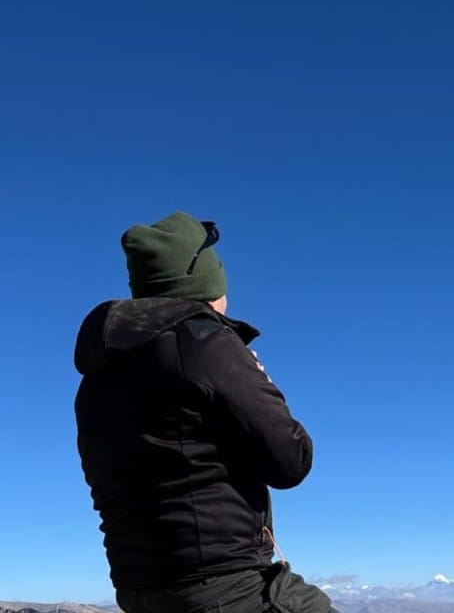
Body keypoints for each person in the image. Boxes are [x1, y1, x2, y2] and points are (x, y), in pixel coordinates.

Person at [74, 211, 338, 613]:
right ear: (203, 279)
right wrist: (260, 382)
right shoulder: (205, 344)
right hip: (225, 589)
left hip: (137, 589)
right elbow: (292, 460)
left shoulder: (96, 378)